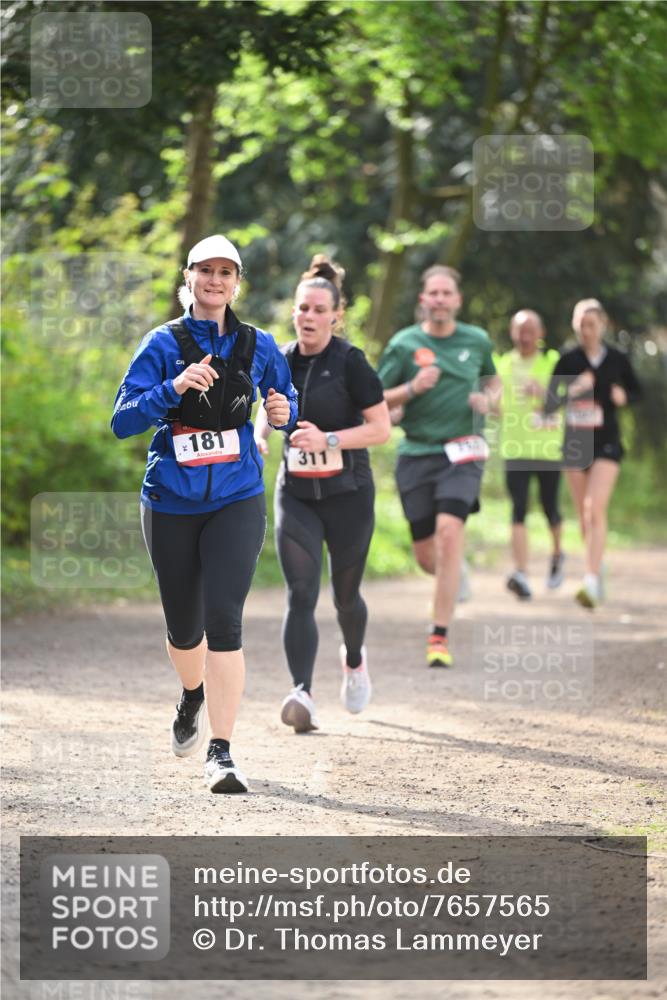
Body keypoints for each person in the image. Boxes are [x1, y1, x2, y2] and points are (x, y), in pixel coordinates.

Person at [111, 235, 298, 793]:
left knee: (225, 622)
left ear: (237, 283)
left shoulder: (258, 343)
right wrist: (172, 387)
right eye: (205, 271)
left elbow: (284, 400)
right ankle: (191, 695)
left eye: (226, 272)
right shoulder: (161, 343)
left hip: (237, 497)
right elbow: (122, 420)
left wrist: (285, 410)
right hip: (170, 500)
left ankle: (222, 751)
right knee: (184, 628)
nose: (215, 280)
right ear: (187, 278)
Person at [255, 255, 390, 732]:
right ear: (293, 313)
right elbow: (267, 405)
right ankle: (302, 692)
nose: (308, 317)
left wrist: (329, 439)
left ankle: (354, 660)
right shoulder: (280, 359)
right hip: (296, 494)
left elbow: (381, 428)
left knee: (345, 598)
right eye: (301, 309)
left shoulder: (351, 363)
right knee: (300, 593)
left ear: (335, 315)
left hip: (349, 493)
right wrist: (261, 435)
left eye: (318, 309)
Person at [378, 265, 501, 667]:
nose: (441, 300)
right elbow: (377, 399)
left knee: (450, 533)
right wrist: (412, 389)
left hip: (463, 453)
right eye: (434, 293)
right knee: (428, 557)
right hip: (416, 453)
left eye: (447, 293)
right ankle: (453, 571)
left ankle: (439, 636)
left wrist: (489, 400)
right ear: (423, 300)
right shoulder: (403, 344)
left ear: (457, 300)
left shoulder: (477, 340)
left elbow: (493, 383)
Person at [544, 298, 641, 608]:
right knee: (584, 518)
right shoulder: (568, 360)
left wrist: (623, 395)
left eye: (591, 324)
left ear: (602, 325)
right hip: (575, 442)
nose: (586, 330)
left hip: (607, 442)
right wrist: (573, 390)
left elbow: (637, 392)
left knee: (593, 508)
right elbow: (549, 403)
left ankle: (590, 579)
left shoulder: (617, 360)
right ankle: (598, 565)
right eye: (581, 325)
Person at [495, 309, 564, 600]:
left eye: (530, 330)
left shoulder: (554, 362)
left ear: (541, 333)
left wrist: (545, 393)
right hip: (515, 448)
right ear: (512, 333)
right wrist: (488, 403)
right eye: (519, 330)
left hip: (548, 450)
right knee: (518, 509)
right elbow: (496, 406)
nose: (524, 336)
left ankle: (558, 555)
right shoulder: (503, 364)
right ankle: (521, 572)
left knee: (550, 508)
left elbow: (573, 399)